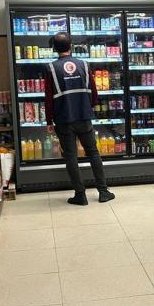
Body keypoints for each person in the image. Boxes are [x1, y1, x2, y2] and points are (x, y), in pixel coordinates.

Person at [44, 32, 114, 205]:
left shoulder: (51, 68)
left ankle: (80, 195)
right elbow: (94, 92)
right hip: (84, 116)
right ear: (71, 46)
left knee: (71, 156)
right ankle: (103, 191)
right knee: (93, 152)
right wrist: (89, 106)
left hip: (63, 119)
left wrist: (49, 120)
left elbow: (48, 98)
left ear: (54, 48)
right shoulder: (83, 64)